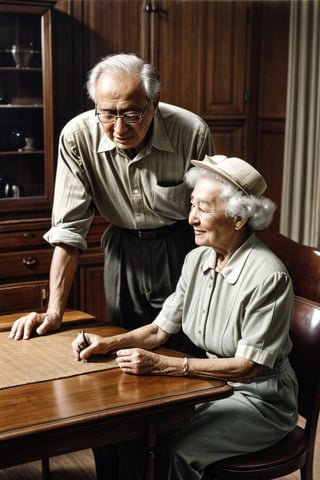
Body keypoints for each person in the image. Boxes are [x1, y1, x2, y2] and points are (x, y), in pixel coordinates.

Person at [72, 155, 298, 480]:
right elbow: (159, 331)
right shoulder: (196, 259)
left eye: (204, 208)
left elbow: (247, 368)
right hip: (211, 386)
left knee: (171, 452)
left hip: (262, 401)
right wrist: (108, 344)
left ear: (238, 218)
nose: (191, 217)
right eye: (192, 205)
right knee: (121, 432)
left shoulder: (268, 277)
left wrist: (165, 366)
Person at [8, 53, 214, 343]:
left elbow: (211, 216)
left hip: (180, 246)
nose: (119, 129)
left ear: (153, 104)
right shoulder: (76, 138)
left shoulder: (191, 132)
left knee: (185, 342)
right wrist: (54, 312)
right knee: (123, 344)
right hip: (122, 248)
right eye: (107, 114)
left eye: (131, 114)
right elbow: (69, 232)